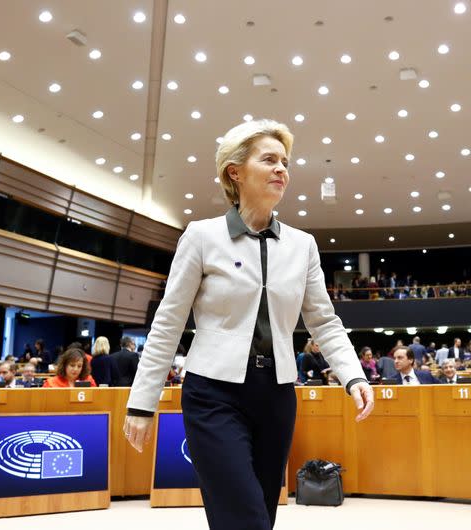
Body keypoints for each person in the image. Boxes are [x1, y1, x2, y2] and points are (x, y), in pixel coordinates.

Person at [124, 119, 373, 530]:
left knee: (260, 513)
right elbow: (168, 323)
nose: (281, 170)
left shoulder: (302, 245)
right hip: (213, 395)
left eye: (285, 162)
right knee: (245, 517)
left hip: (276, 397)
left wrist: (353, 376)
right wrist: (141, 402)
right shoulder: (201, 236)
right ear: (234, 172)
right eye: (269, 160)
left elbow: (324, 322)